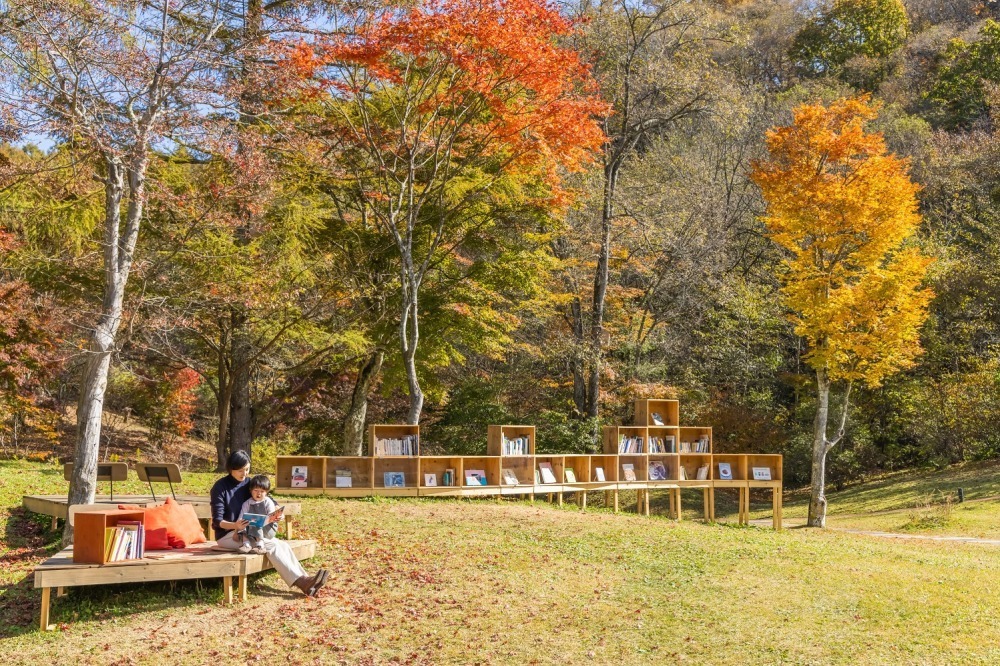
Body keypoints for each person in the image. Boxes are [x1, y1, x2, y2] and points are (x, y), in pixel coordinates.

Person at [210, 450, 328, 596]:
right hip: (229, 535)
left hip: (251, 532)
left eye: (247, 469)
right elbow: (217, 521)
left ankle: (308, 582)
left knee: (282, 544)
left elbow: (269, 499)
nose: (244, 473)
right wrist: (235, 526)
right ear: (230, 469)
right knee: (271, 545)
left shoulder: (249, 483)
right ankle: (303, 583)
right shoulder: (220, 487)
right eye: (240, 470)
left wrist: (277, 511)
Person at [236, 474, 278, 554]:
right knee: (242, 522)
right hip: (251, 529)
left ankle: (260, 546)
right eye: (256, 490)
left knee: (256, 521)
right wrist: (240, 525)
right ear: (251, 490)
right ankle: (246, 544)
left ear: (266, 492)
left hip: (268, 529)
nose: (259, 493)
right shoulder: (247, 503)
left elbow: (271, 516)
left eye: (262, 491)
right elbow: (241, 516)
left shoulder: (268, 502)